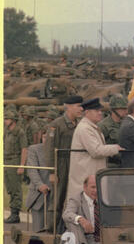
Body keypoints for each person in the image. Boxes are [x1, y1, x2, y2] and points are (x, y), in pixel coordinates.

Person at [67, 98, 123, 200]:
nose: (100, 113)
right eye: (97, 111)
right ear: (87, 112)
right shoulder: (85, 128)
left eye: (100, 111)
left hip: (91, 176)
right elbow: (96, 151)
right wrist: (115, 148)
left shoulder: (92, 127)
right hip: (85, 178)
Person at [44, 95, 83, 233]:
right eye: (78, 106)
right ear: (69, 106)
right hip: (60, 163)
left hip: (75, 163)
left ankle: (68, 228)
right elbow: (49, 148)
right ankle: (52, 228)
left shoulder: (79, 124)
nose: (81, 108)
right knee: (58, 197)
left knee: (73, 196)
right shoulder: (56, 125)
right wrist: (52, 172)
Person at [62, 175, 101, 244]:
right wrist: (81, 220)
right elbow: (66, 214)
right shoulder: (76, 199)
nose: (95, 190)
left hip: (99, 238)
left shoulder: (102, 201)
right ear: (85, 187)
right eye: (93, 187)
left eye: (98, 187)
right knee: (74, 222)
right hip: (82, 236)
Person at [4, 110, 28, 224]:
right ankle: (12, 211)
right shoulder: (7, 131)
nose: (5, 121)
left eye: (7, 119)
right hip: (6, 161)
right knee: (9, 187)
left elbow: (24, 149)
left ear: (12, 120)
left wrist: (21, 165)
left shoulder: (19, 132)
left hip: (15, 160)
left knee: (15, 188)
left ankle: (15, 214)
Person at [25, 129, 51, 232]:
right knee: (38, 231)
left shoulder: (58, 150)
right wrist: (40, 185)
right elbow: (32, 169)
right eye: (45, 137)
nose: (46, 140)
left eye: (49, 137)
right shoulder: (34, 149)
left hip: (55, 196)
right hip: (39, 195)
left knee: (54, 231)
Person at [97, 94, 128, 167]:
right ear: (113, 110)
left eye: (126, 108)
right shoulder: (103, 126)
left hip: (126, 164)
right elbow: (99, 148)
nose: (126, 111)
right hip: (111, 167)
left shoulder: (127, 123)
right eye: (122, 109)